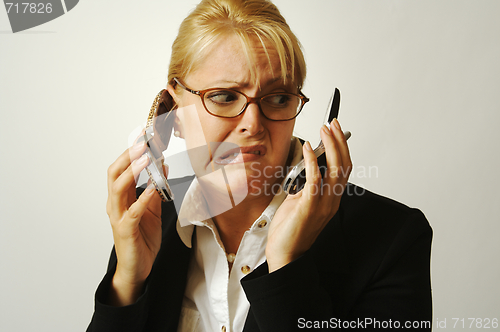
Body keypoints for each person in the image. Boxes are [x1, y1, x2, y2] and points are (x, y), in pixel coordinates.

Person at [87, 0, 432, 331]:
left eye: (279, 97)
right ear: (175, 109)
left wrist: (286, 266)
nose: (253, 124)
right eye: (224, 96)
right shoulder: (150, 216)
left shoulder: (392, 238)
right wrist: (128, 281)